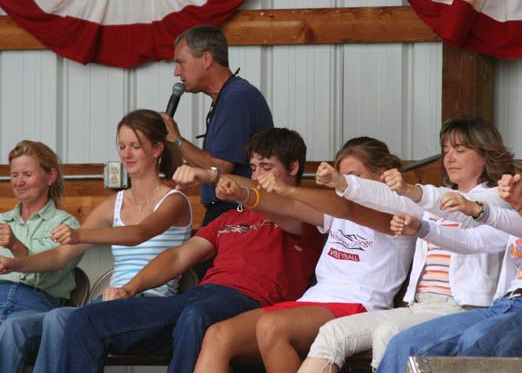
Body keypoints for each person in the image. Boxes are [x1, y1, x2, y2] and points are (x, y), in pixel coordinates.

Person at [56, 128, 323, 373]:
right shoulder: (230, 219)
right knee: (85, 320)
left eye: (266, 167)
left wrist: (225, 183)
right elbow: (179, 256)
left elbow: (277, 201)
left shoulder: (306, 214)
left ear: (293, 167)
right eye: (252, 168)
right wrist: (130, 289)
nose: (256, 176)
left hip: (253, 306)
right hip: (200, 298)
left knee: (197, 316)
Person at [298, 117, 514, 373]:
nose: (450, 158)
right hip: (419, 306)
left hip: (465, 308)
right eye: (445, 151)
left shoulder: (497, 199)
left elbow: (456, 206)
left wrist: (413, 191)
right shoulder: (434, 197)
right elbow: (388, 198)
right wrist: (345, 183)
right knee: (333, 332)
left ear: (485, 155)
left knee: (388, 333)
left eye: (460, 150)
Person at [376, 120, 522, 373]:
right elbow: (473, 241)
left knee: (476, 340)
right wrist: (422, 229)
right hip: (504, 304)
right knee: (403, 342)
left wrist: (480, 210)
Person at [193, 137, 416, 373]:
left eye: (354, 176)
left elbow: (348, 209)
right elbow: (288, 206)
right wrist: (243, 195)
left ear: (382, 174)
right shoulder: (338, 209)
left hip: (359, 306)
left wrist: (287, 189)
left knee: (272, 327)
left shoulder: (398, 211)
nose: (347, 185)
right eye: (342, 179)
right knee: (218, 335)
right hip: (314, 302)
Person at [0, 109, 192, 373]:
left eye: (135, 146)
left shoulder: (174, 200)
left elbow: (138, 234)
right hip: (109, 300)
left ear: (157, 149)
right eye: (122, 146)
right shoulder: (115, 203)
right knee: (57, 319)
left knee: (58, 318)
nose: (126, 154)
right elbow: (59, 256)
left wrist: (79, 234)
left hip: (152, 302)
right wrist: (16, 264)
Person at [160, 24, 274, 224]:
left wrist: (177, 140)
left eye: (181, 62)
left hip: (238, 211)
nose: (176, 72)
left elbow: (219, 168)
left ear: (206, 59)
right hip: (228, 209)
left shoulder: (237, 98)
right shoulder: (226, 98)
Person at [0, 140, 79, 327]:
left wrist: (14, 245)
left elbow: (43, 276)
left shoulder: (66, 225)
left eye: (27, 174)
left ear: (51, 176)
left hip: (37, 303)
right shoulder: (1, 220)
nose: (19, 182)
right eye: (14, 175)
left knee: (12, 328)